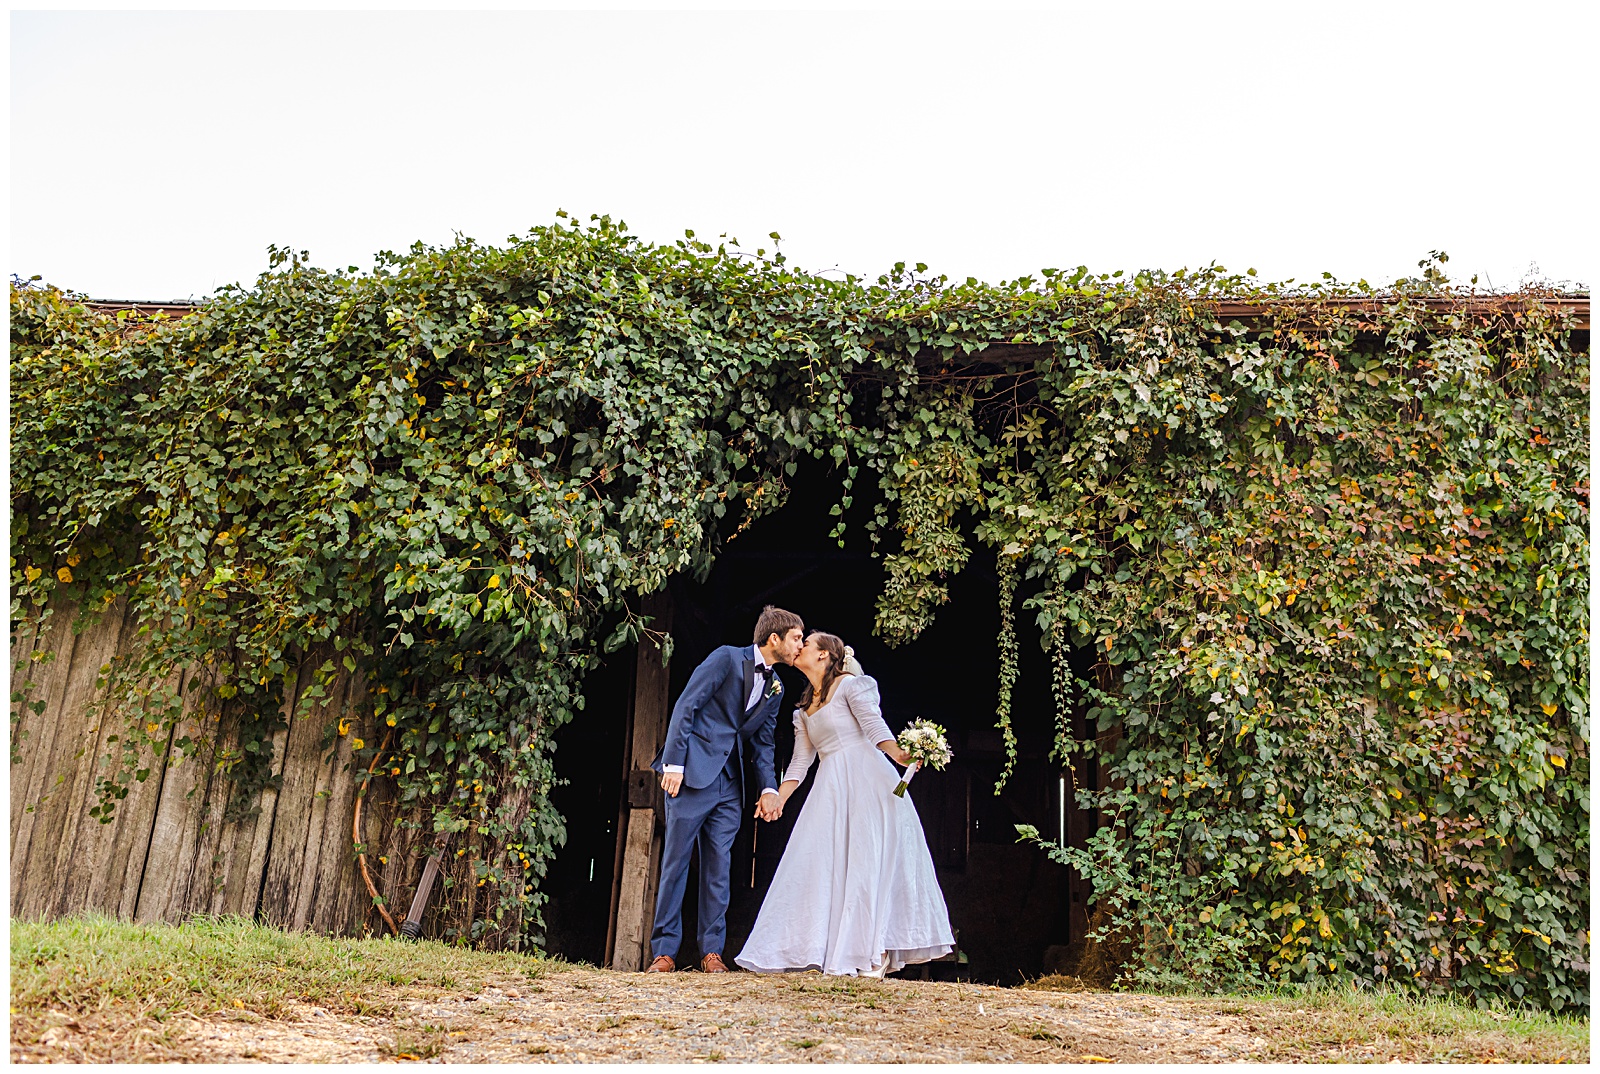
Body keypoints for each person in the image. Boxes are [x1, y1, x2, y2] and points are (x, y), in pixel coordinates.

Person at [735, 631, 954, 977]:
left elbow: (873, 726)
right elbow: (800, 762)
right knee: (822, 862)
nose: (799, 646)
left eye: (806, 643)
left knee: (867, 862)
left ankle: (873, 951)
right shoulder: (804, 710)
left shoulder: (853, 685)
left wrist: (900, 754)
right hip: (831, 788)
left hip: (868, 780)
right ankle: (828, 948)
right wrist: (779, 797)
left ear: (823, 655)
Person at [645, 605, 805, 973]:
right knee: (676, 862)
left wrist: (768, 789)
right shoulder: (725, 659)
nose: (800, 645)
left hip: (731, 785)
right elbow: (688, 705)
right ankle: (665, 952)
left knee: (720, 866)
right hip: (691, 774)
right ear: (774, 638)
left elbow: (763, 745)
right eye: (796, 638)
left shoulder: (776, 689)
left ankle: (711, 952)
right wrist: (673, 764)